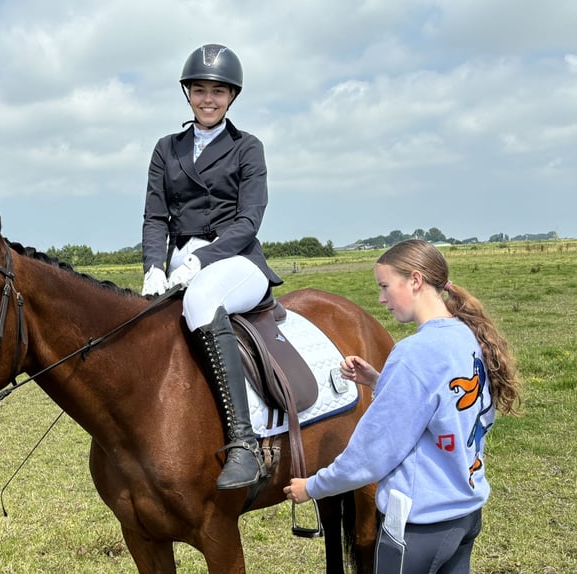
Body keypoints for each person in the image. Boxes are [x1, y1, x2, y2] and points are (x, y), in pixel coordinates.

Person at [283, 239, 522, 572]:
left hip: (419, 527)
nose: (381, 298)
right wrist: (381, 382)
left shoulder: (413, 354)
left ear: (415, 280)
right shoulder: (466, 336)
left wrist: (312, 486)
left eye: (384, 286)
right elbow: (444, 403)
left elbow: (371, 454)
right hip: (465, 513)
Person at [141, 43, 282, 490]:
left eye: (218, 92)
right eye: (199, 90)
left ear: (232, 97)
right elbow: (154, 216)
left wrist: (201, 260)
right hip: (178, 261)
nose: (208, 99)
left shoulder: (248, 148)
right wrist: (152, 268)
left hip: (236, 261)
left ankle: (244, 442)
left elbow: (248, 220)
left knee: (202, 298)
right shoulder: (167, 148)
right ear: (187, 93)